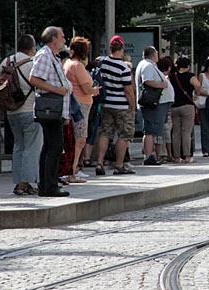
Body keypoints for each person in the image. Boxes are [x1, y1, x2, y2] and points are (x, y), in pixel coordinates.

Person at [28, 26, 72, 196]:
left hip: (56, 109)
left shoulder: (52, 56)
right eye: (62, 36)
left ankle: (46, 184)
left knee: (50, 146)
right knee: (54, 147)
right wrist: (56, 89)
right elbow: (34, 79)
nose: (64, 39)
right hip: (50, 109)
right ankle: (49, 186)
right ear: (53, 39)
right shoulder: (45, 55)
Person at [0, 35, 42, 195]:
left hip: (11, 111)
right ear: (32, 47)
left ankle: (18, 181)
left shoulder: (6, 61)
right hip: (30, 110)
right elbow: (40, 85)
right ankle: (27, 182)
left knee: (18, 146)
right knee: (32, 147)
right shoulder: (32, 63)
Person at [93, 35, 136, 176]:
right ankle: (119, 165)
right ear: (122, 48)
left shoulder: (103, 63)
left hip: (106, 103)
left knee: (105, 132)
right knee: (124, 135)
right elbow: (128, 90)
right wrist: (132, 106)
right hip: (122, 105)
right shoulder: (123, 67)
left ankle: (100, 162)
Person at [63, 36, 98, 183]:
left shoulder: (68, 63)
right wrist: (95, 90)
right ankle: (72, 170)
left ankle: (72, 169)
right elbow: (86, 88)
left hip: (75, 104)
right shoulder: (77, 66)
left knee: (75, 139)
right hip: (80, 105)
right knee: (80, 139)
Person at [136, 46, 168, 166]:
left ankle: (149, 154)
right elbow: (147, 80)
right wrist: (162, 84)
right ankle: (149, 155)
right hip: (149, 102)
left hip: (147, 103)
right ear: (153, 54)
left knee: (149, 129)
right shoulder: (148, 65)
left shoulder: (144, 64)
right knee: (150, 130)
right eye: (157, 53)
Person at [169, 56, 200, 163]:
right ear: (188, 66)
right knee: (186, 131)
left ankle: (176, 157)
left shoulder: (172, 76)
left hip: (174, 106)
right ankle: (187, 156)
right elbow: (197, 85)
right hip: (187, 105)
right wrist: (196, 94)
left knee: (176, 132)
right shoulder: (191, 76)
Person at [155, 56, 175, 161]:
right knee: (163, 132)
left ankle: (165, 154)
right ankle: (163, 154)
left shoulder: (160, 77)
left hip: (163, 106)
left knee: (163, 132)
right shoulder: (164, 78)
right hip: (164, 106)